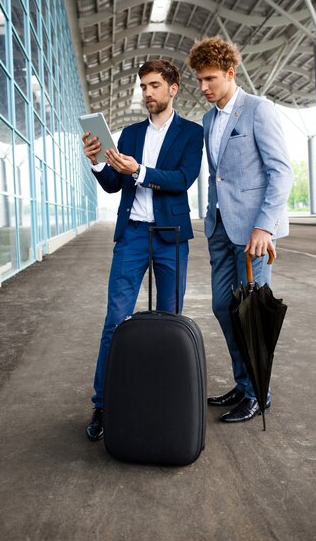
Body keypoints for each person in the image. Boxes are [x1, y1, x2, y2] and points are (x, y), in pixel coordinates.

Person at [82, 59, 204, 441]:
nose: (147, 93)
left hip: (170, 234)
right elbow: (114, 186)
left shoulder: (191, 133)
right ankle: (103, 404)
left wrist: (140, 171)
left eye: (154, 86)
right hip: (133, 235)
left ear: (173, 88)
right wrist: (97, 164)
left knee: (170, 322)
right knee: (114, 321)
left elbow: (183, 179)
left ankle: (165, 401)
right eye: (143, 87)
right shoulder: (131, 133)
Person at [186, 36, 293, 423]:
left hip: (253, 232)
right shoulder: (208, 119)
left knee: (252, 312)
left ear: (231, 74)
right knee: (223, 305)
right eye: (199, 80)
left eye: (210, 78)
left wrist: (265, 226)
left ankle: (256, 393)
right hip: (219, 226)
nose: (203, 87)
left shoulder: (257, 110)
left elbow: (282, 173)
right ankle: (243, 382)